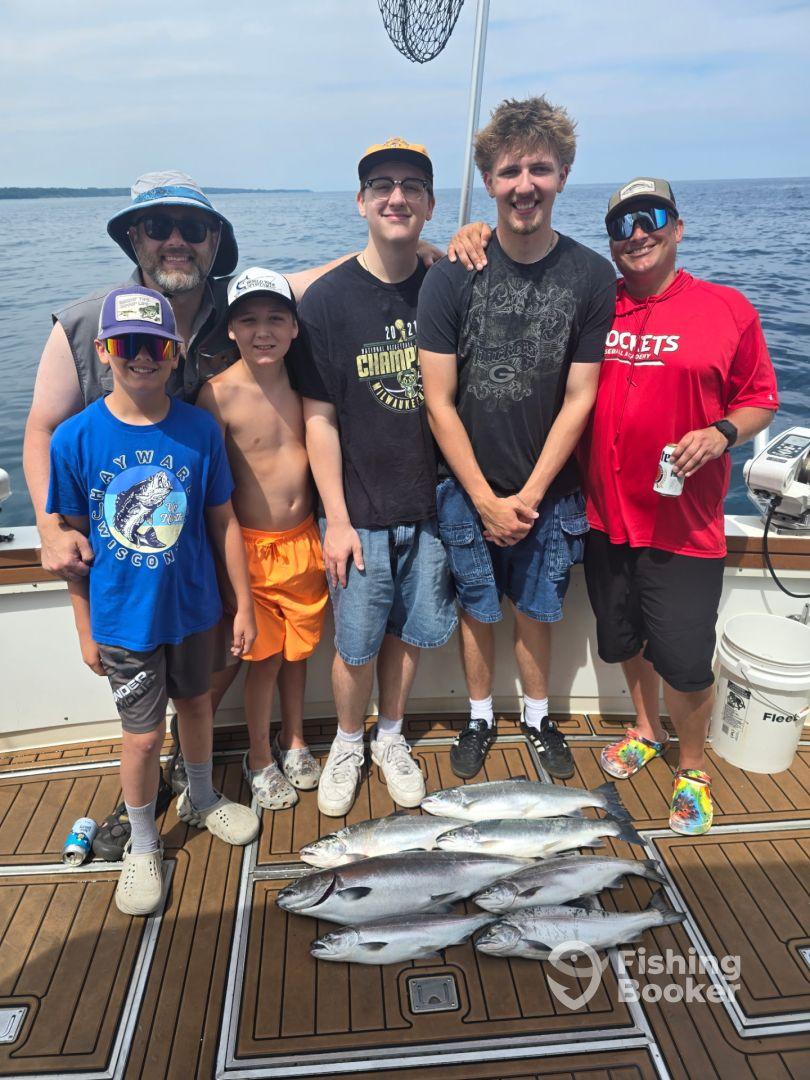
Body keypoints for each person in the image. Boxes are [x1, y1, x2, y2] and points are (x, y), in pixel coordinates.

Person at [418, 96, 616, 780]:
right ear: (490, 180)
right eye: (508, 172)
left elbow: (580, 396)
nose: (524, 184)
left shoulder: (593, 276)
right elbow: (437, 401)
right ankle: (479, 715)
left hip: (548, 494)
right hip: (466, 489)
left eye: (539, 168)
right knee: (478, 608)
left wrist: (526, 496)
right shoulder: (451, 274)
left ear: (562, 174)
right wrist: (483, 499)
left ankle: (537, 717)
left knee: (537, 611)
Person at [46, 286, 260, 915]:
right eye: (127, 345)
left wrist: (241, 604)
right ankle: (143, 840)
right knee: (140, 740)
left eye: (156, 346)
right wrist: (85, 629)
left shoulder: (200, 429)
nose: (142, 357)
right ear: (105, 351)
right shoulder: (74, 440)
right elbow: (74, 546)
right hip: (123, 622)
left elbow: (222, 521)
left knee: (196, 707)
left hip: (196, 611)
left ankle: (200, 794)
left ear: (175, 353)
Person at [579, 177, 778, 834]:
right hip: (606, 517)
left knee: (685, 659)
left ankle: (692, 767)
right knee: (625, 641)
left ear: (678, 226)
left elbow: (758, 400)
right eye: (622, 223)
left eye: (652, 216)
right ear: (610, 241)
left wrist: (722, 433)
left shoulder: (727, 308)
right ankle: (645, 728)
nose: (637, 233)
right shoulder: (592, 305)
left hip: (684, 527)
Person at [296, 138, 457, 816]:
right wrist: (332, 517)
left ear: (428, 204)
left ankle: (392, 736)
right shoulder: (327, 302)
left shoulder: (447, 284)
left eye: (412, 186)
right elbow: (319, 419)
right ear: (361, 202)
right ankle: (347, 740)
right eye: (382, 186)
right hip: (358, 510)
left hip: (433, 504)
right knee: (356, 644)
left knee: (410, 636)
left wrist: (454, 250)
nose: (397, 197)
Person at [197, 267, 328, 810]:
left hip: (304, 543)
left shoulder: (306, 385)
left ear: (295, 327)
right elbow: (212, 496)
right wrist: (231, 583)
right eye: (248, 320)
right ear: (230, 329)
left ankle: (293, 737)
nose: (263, 331)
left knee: (298, 653)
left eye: (276, 318)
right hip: (250, 552)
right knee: (263, 660)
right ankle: (257, 756)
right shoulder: (216, 394)